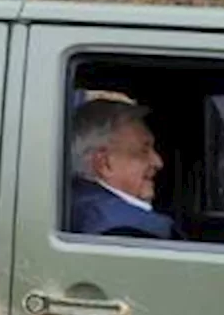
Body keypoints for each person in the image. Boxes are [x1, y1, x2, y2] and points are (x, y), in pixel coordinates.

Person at [69, 99, 176, 239]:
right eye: (144, 150)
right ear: (104, 163)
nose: (158, 162)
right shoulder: (128, 229)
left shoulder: (74, 203)